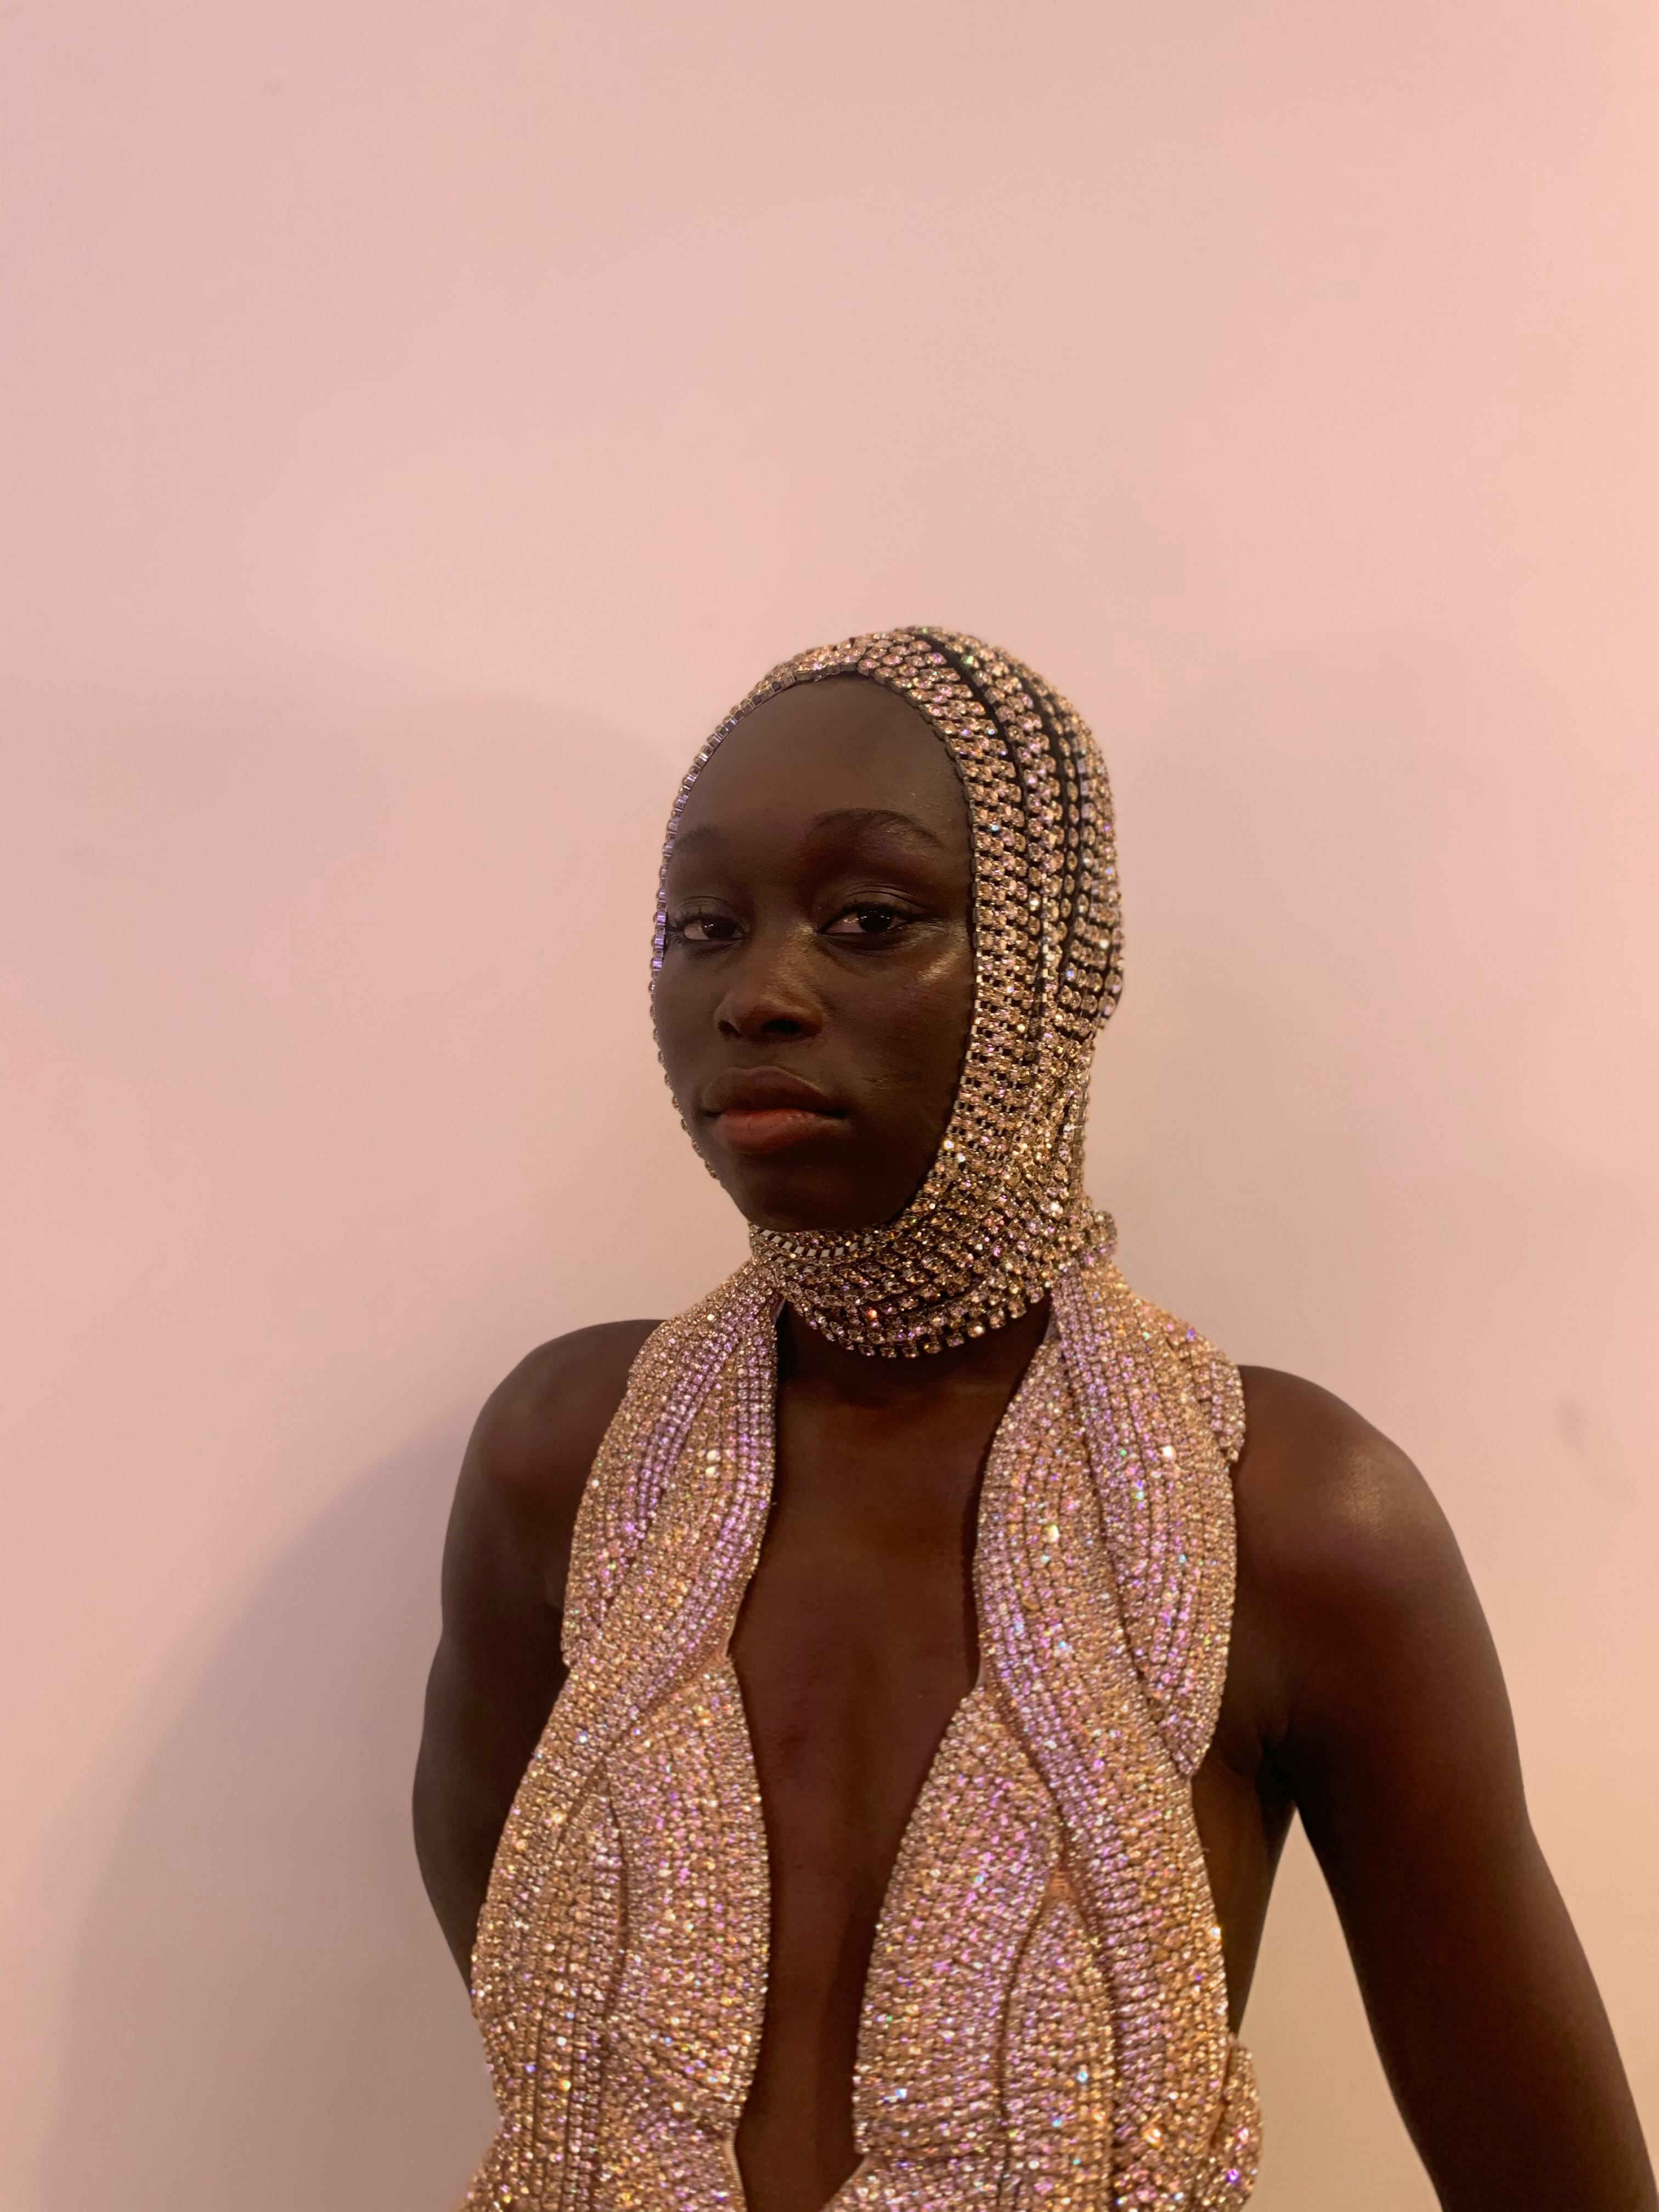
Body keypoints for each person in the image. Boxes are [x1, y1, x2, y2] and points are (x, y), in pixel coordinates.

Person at [413, 629, 1654, 2212]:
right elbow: (539, 2027)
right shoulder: (568, 1459)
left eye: (870, 920)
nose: (756, 995)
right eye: (701, 929)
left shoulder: (1288, 1518)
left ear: (1051, 972)